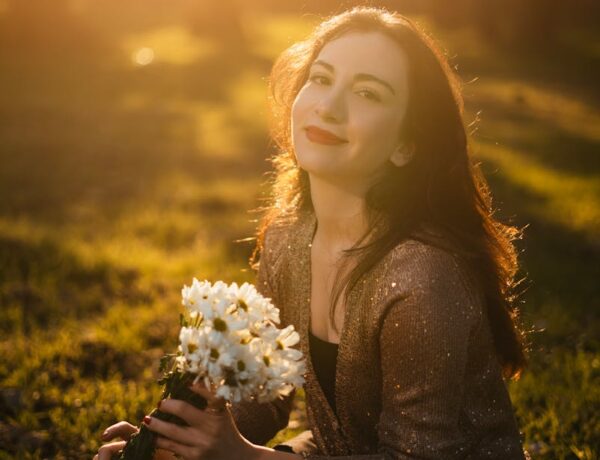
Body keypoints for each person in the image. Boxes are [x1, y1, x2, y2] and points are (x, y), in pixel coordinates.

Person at [96, 6, 531, 459]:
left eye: (367, 93)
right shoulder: (287, 237)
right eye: (321, 79)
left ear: (406, 145)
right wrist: (169, 442)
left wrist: (240, 456)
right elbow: (265, 395)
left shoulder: (422, 280)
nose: (329, 105)